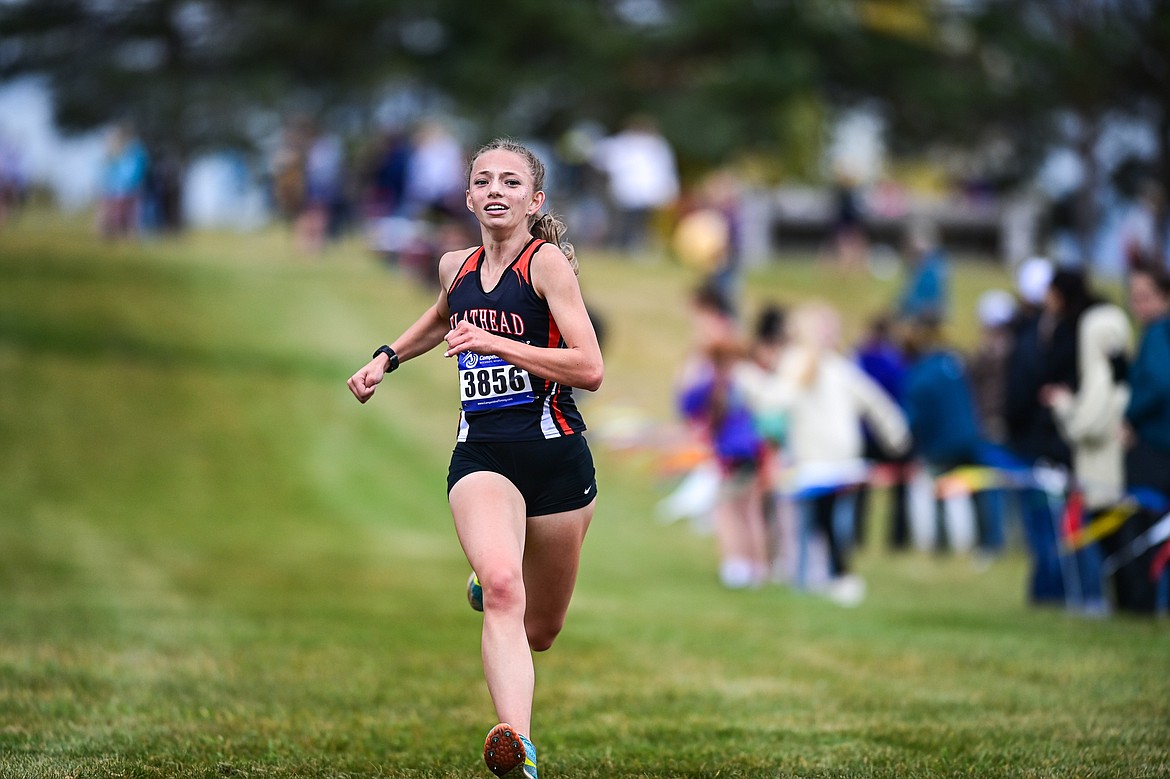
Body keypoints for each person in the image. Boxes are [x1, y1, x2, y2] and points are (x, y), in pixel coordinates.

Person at [347, 138, 604, 779]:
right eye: (483, 180)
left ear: (533, 200)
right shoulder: (453, 266)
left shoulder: (547, 268)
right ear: (468, 196)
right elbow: (441, 317)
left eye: (511, 182)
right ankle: (517, 747)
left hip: (557, 460)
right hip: (482, 454)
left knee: (541, 629)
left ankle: (490, 584)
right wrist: (386, 358)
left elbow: (590, 368)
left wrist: (497, 343)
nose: (496, 190)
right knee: (503, 587)